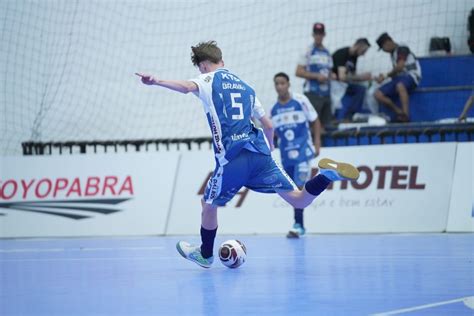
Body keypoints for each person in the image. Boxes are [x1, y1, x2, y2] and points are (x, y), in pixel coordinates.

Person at [136, 41, 359, 269]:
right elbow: (269, 125)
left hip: (233, 157)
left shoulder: (207, 79)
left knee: (208, 204)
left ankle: (205, 254)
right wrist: (269, 149)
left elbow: (185, 87)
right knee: (299, 200)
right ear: (222, 61)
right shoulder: (247, 88)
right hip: (260, 154)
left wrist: (156, 81)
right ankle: (326, 176)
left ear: (203, 66)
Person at [270, 72, 321, 238]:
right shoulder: (274, 110)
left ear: (288, 84)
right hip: (286, 156)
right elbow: (273, 133)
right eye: (277, 84)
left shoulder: (300, 100)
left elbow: (315, 120)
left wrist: (317, 144)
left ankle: (298, 225)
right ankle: (299, 224)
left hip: (303, 152)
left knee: (299, 187)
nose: (280, 87)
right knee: (293, 189)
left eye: (282, 83)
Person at [374, 32, 422, 122]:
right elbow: (396, 72)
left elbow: (400, 66)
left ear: (388, 42)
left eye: (383, 48)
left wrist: (385, 76)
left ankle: (406, 115)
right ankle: (399, 112)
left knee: (400, 85)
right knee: (378, 94)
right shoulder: (392, 54)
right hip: (399, 78)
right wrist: (382, 78)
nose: (384, 51)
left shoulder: (402, 48)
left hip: (412, 76)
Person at [296, 22, 334, 128]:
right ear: (313, 35)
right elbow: (298, 72)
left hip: (326, 94)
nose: (318, 36)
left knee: (326, 126)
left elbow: (330, 71)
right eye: (316, 34)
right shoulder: (307, 51)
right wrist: (317, 76)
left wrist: (331, 76)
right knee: (312, 125)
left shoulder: (327, 52)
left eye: (320, 34)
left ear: (324, 35)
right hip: (312, 94)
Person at [332, 38, 372, 121]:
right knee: (347, 97)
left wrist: (366, 78)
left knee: (361, 89)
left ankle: (354, 115)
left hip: (343, 84)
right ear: (358, 46)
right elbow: (342, 77)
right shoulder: (342, 53)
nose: (363, 54)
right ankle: (342, 118)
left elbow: (352, 76)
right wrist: (360, 77)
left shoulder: (354, 57)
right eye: (363, 51)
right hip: (334, 84)